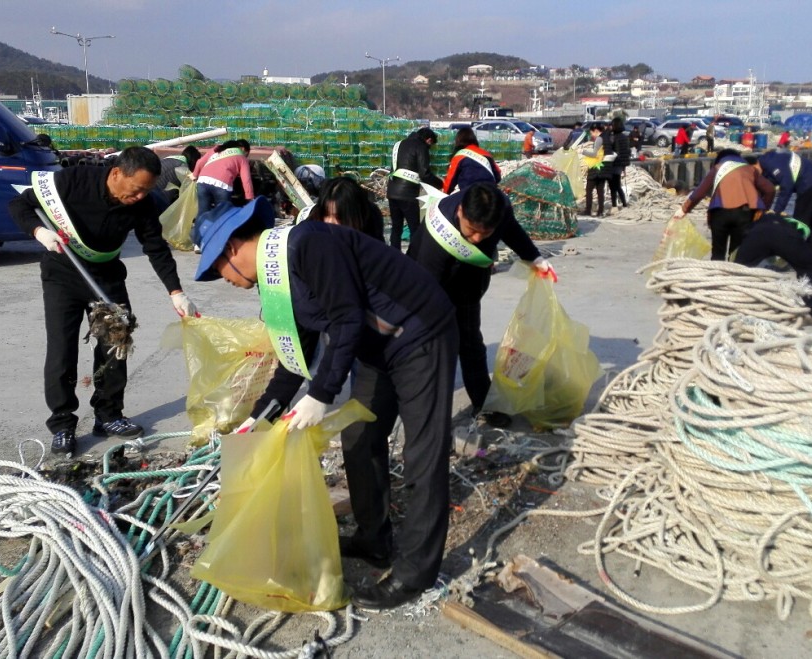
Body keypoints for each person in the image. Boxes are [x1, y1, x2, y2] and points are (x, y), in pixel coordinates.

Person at [196, 198, 458, 612]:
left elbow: (346, 318)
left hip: (420, 333)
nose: (222, 279)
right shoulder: (275, 274)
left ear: (231, 249)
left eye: (217, 270)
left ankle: (415, 574)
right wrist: (260, 418)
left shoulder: (307, 245)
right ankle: (374, 538)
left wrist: (321, 394)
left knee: (423, 451)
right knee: (359, 435)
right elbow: (294, 352)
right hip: (376, 345)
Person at [8, 146, 198, 455]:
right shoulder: (73, 180)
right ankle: (63, 424)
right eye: (136, 190)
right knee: (62, 350)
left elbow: (156, 248)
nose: (139, 197)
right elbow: (19, 204)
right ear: (116, 174)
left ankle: (108, 414)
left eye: (146, 191)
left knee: (116, 343)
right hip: (63, 275)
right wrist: (39, 231)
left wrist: (176, 291)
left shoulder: (144, 203)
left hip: (106, 276)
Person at [407, 182, 555, 428]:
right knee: (434, 346)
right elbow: (425, 289)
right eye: (472, 230)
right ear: (460, 212)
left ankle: (483, 403)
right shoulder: (438, 236)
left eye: (485, 234)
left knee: (470, 342)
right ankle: (428, 410)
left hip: (469, 281)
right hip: (429, 282)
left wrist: (534, 257)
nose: (476, 238)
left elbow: (512, 231)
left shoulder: (499, 210)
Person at [745, 152, 812, 316]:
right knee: (807, 222)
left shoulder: (770, 162)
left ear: (754, 165)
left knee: (802, 221)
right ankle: (808, 253)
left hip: (811, 180)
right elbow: (766, 190)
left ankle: (796, 256)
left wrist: (776, 212)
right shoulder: (765, 169)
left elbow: (786, 186)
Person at [673, 148, 775, 261]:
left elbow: (699, 192)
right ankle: (733, 275)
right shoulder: (750, 170)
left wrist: (684, 209)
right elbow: (770, 190)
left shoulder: (718, 168)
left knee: (718, 252)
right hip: (744, 214)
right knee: (736, 254)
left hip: (719, 213)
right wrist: (762, 210)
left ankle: (717, 276)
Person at [734, 212, 812, 322]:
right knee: (810, 267)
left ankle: (735, 303)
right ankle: (806, 311)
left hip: (757, 236)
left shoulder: (757, 223)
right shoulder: (795, 226)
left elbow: (745, 235)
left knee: (738, 270)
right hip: (785, 237)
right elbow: (803, 239)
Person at [189, 139, 254, 249]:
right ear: (243, 149)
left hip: (203, 181)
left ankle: (198, 244)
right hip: (222, 184)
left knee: (202, 213)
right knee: (222, 215)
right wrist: (250, 198)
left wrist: (195, 175)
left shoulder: (217, 149)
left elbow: (200, 162)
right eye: (247, 154)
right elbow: (246, 180)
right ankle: (219, 243)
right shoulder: (241, 157)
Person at [386, 127, 443, 251]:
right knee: (414, 228)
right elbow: (425, 173)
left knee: (396, 228)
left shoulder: (399, 144)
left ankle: (394, 255)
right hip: (407, 194)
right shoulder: (421, 147)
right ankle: (414, 257)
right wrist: (440, 184)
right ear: (428, 140)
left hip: (392, 191)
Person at [307, 175, 385, 241]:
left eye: (339, 217)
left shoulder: (372, 223)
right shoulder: (311, 230)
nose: (330, 222)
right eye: (326, 214)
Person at [443, 127, 501, 194]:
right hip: (490, 193)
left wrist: (445, 194)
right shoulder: (486, 154)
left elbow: (450, 181)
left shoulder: (459, 156)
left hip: (470, 195)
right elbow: (498, 175)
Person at [580, 123, 609, 217]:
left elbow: (594, 154)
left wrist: (583, 151)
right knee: (600, 191)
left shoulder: (599, 139)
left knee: (589, 190)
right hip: (603, 166)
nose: (591, 135)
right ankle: (600, 211)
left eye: (592, 132)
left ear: (596, 130)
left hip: (595, 167)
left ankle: (588, 210)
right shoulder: (607, 138)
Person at [606, 116, 630, 211]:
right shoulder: (625, 137)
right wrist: (624, 167)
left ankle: (614, 205)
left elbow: (610, 150)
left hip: (613, 164)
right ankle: (624, 203)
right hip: (620, 165)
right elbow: (626, 153)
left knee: (613, 187)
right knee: (618, 185)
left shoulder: (613, 138)